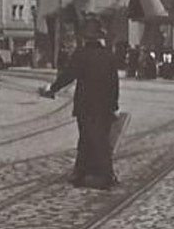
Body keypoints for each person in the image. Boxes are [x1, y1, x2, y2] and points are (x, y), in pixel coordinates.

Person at [39, 16, 119, 189]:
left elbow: (68, 75)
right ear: (99, 37)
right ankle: (93, 172)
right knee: (102, 139)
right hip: (105, 106)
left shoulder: (81, 55)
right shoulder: (108, 56)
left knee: (86, 138)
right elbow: (114, 83)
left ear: (85, 37)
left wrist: (53, 88)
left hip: (86, 106)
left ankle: (93, 174)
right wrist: (114, 106)